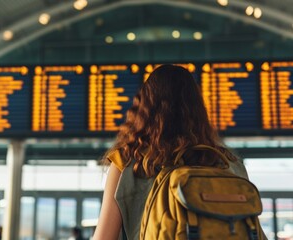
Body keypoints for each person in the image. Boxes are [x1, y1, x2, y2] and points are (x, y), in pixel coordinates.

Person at [93, 64, 250, 240]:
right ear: (198, 107)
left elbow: (104, 237)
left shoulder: (128, 161)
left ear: (144, 107)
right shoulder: (229, 163)